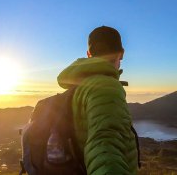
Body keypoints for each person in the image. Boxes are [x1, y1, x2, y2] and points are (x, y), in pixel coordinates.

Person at [57, 26, 139, 175]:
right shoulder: (106, 87)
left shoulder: (80, 87)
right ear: (121, 53)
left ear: (89, 54)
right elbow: (105, 148)